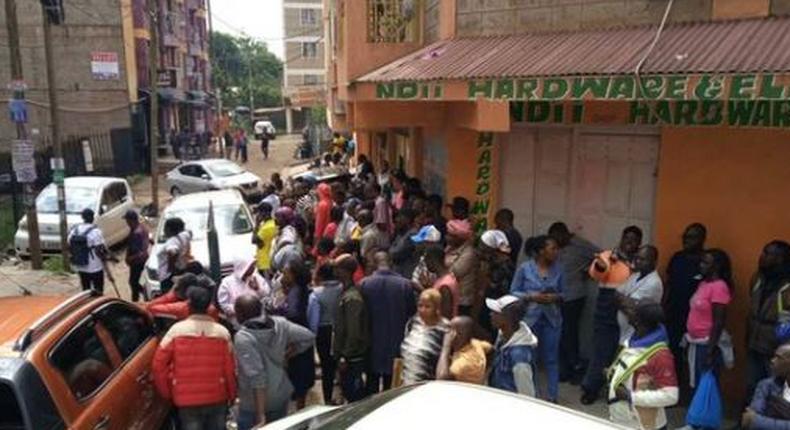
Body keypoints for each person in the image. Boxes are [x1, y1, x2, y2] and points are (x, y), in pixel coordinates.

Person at [152, 286, 236, 430]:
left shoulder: (176, 331)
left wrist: (169, 392)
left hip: (186, 400)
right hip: (217, 397)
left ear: (189, 305)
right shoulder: (222, 333)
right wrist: (232, 394)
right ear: (208, 306)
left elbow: (158, 366)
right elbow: (230, 369)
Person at [234, 295, 315, 430]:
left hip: (253, 403)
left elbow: (257, 377)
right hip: (279, 395)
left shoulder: (243, 338)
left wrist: (261, 416)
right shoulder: (280, 324)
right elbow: (308, 337)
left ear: (240, 315)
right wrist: (288, 354)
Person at [581, 225, 642, 405]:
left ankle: (615, 391)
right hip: (607, 307)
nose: (629, 243)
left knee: (623, 353)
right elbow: (597, 273)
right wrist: (602, 265)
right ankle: (591, 388)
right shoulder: (609, 255)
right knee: (601, 351)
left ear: (639, 243)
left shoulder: (641, 260)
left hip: (629, 308)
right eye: (627, 238)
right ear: (622, 239)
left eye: (634, 240)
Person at [510, 235, 563, 403]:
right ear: (541, 251)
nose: (556, 252)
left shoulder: (559, 269)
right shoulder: (525, 268)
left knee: (551, 358)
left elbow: (564, 294)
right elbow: (513, 291)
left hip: (551, 319)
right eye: (552, 248)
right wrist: (531, 296)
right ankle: (530, 395)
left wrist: (554, 297)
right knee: (529, 358)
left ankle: (552, 396)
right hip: (529, 319)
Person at [608, 303, 678, 430]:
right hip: (625, 420)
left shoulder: (660, 356)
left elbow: (671, 396)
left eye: (633, 310)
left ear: (637, 321)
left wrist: (630, 396)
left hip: (645, 424)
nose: (629, 310)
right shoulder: (633, 341)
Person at [548, 221, 600, 383]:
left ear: (564, 234)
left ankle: (575, 369)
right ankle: (564, 370)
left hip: (574, 297)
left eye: (558, 239)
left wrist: (590, 271)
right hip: (558, 297)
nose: (556, 243)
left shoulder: (580, 244)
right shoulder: (556, 247)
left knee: (569, 334)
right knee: (560, 334)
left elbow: (602, 256)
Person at [360, 252, 416, 394]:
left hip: (372, 344)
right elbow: (411, 312)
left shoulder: (364, 284)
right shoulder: (405, 285)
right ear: (391, 263)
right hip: (396, 344)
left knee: (371, 386)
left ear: (373, 263)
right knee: (391, 389)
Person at [685, 248, 733, 391]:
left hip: (708, 344)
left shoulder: (719, 287)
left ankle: (706, 414)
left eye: (706, 263)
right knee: (698, 386)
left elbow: (719, 321)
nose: (701, 265)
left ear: (716, 266)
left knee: (706, 388)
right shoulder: (703, 284)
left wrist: (710, 351)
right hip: (696, 342)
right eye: (702, 262)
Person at [747, 241, 790, 401]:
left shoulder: (787, 286)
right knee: (751, 385)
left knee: (773, 389)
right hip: (755, 342)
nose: (762, 257)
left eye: (767, 253)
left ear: (780, 259)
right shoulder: (758, 279)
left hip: (778, 348)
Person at [664, 223, 707, 378]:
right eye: (685, 236)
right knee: (672, 352)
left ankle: (689, 393)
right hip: (674, 314)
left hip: (696, 319)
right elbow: (669, 283)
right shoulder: (677, 257)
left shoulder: (705, 262)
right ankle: (672, 388)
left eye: (691, 237)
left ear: (702, 239)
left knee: (692, 357)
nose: (686, 240)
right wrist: (664, 306)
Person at [277, 260, 315, 409]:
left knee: (298, 377)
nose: (282, 275)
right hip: (301, 337)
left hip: (297, 340)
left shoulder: (295, 292)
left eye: (285, 273)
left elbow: (293, 313)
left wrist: (280, 311)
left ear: (293, 275)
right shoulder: (299, 289)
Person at [333, 254, 370, 403]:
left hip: (352, 358)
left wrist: (345, 355)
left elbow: (353, 331)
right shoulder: (345, 293)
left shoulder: (352, 298)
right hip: (347, 356)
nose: (334, 272)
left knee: (354, 396)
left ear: (346, 271)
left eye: (337, 268)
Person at [307, 264, 344, 405]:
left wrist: (312, 337)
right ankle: (343, 396)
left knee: (327, 368)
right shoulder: (343, 289)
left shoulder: (316, 294)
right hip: (342, 330)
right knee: (342, 364)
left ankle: (328, 399)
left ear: (321, 276)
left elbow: (313, 321)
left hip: (324, 333)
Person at [487, 295, 538, 396]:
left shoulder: (520, 357)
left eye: (496, 313)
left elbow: (527, 394)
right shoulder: (502, 335)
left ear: (507, 318)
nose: (491, 315)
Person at [400, 289, 450, 385]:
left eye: (427, 307)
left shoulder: (445, 329)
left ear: (436, 308)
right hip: (406, 383)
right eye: (420, 306)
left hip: (426, 386)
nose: (422, 310)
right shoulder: (414, 322)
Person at [617, 245, 664, 344]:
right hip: (624, 332)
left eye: (642, 259)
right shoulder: (636, 275)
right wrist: (621, 299)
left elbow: (631, 307)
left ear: (654, 262)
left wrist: (621, 299)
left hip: (637, 334)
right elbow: (619, 295)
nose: (638, 261)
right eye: (637, 258)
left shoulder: (653, 282)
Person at [743, 342, 790, 430]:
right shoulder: (766, 385)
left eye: (779, 358)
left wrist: (759, 422)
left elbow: (753, 420)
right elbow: (749, 417)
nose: (772, 361)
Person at [478, 230, 516, 336]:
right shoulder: (492, 261)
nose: (480, 249)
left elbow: (497, 287)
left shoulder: (505, 265)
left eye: (483, 246)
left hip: (499, 305)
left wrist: (484, 276)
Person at [436, 316, 492, 384]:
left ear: (455, 334)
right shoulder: (476, 344)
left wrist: (446, 346)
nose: (447, 332)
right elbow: (492, 349)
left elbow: (441, 379)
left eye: (450, 329)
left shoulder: (463, 363)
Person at [68, 208, 111, 294]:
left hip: (81, 266)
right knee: (98, 289)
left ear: (82, 217)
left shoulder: (74, 230)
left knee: (85, 289)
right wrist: (107, 269)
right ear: (92, 217)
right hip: (95, 266)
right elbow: (101, 251)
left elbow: (69, 244)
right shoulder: (96, 232)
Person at [147, 273, 220, 321]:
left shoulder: (182, 308)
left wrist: (172, 294)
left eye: (178, 287)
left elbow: (150, 307)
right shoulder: (212, 310)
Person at [217, 259, 271, 325]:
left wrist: (258, 289)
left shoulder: (257, 278)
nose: (253, 269)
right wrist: (243, 310)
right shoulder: (227, 283)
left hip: (258, 321)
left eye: (253, 266)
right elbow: (224, 305)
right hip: (237, 323)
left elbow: (267, 296)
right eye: (250, 267)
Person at [445, 219, 479, 317]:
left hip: (461, 299)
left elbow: (454, 273)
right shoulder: (449, 248)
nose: (447, 238)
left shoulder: (469, 254)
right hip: (449, 295)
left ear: (459, 238)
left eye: (450, 236)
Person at [156, 217, 192, 294]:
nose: (163, 230)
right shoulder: (184, 236)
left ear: (168, 229)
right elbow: (190, 233)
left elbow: (172, 252)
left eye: (165, 227)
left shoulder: (171, 241)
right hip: (181, 271)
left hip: (168, 278)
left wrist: (171, 269)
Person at [423, 244, 460, 319]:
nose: (425, 264)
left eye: (426, 260)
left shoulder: (444, 285)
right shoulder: (446, 278)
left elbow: (445, 314)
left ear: (432, 260)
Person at [389, 208, 420, 278]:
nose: (397, 220)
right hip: (398, 272)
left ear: (407, 220)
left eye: (400, 217)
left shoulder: (413, 234)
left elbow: (396, 252)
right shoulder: (400, 234)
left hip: (407, 273)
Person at [253, 203, 277, 276]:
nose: (257, 215)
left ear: (265, 213)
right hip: (266, 261)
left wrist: (256, 224)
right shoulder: (271, 223)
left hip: (265, 263)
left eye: (259, 212)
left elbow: (254, 240)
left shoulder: (267, 228)